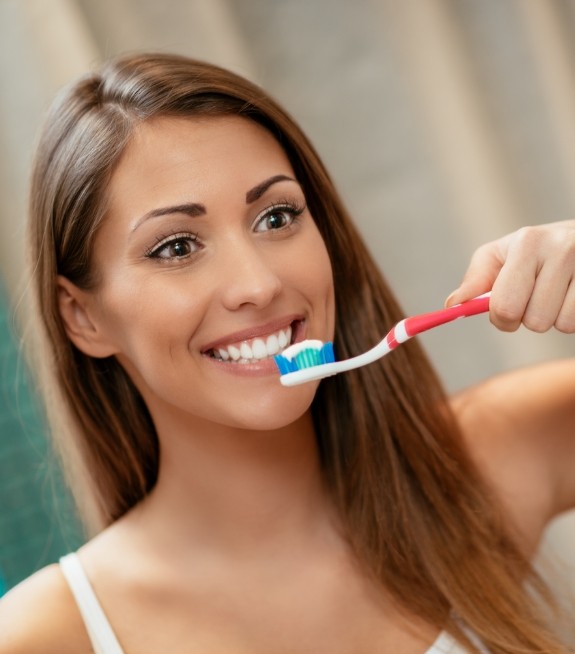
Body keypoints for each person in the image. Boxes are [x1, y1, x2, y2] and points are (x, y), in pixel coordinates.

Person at [0, 52, 574, 654]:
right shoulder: (49, 634)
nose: (258, 285)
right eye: (175, 247)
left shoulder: (495, 455)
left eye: (276, 217)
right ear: (83, 317)